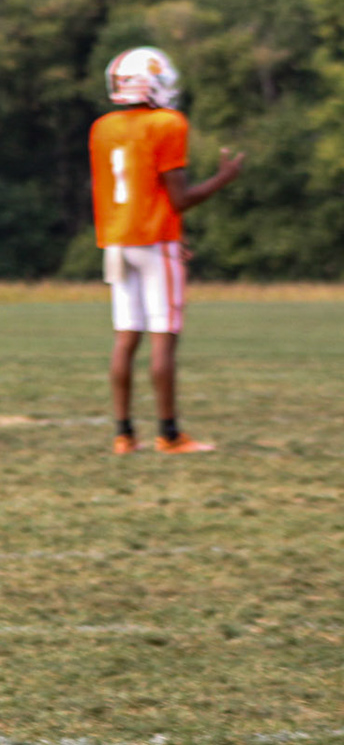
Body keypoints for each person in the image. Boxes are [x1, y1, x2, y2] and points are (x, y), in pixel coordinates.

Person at [88, 47, 244, 456]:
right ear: (152, 83)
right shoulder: (167, 123)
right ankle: (169, 434)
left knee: (125, 338)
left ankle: (123, 434)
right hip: (156, 242)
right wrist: (224, 178)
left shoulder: (102, 127)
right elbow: (179, 198)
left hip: (118, 239)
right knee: (163, 339)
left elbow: (138, 189)